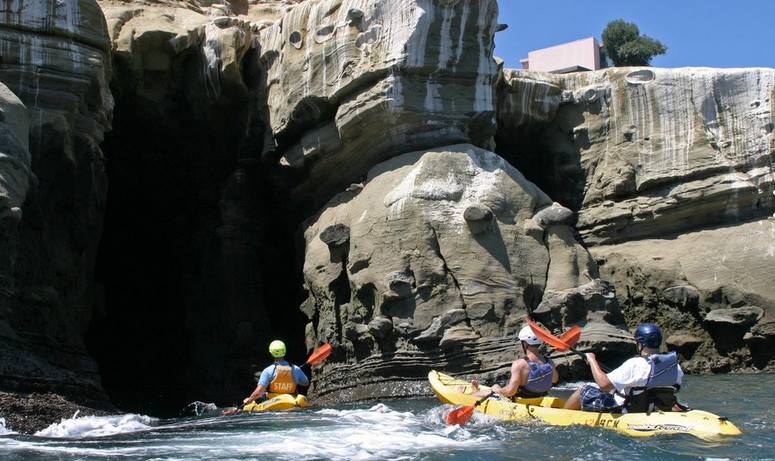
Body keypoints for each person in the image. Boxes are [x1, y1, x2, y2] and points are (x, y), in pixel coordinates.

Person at [563, 323, 684, 413]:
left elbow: (604, 385)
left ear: (640, 344)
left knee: (584, 389)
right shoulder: (675, 366)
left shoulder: (635, 364)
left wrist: (592, 360)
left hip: (629, 410)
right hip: (656, 408)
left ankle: (562, 417)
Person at [471, 325, 558, 399]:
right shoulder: (549, 362)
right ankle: (476, 389)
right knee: (497, 387)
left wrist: (498, 390)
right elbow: (554, 380)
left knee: (495, 388)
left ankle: (473, 392)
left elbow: (510, 392)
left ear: (525, 343)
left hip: (521, 400)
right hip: (540, 398)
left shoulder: (519, 364)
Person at [242, 340, 310, 405]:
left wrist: (250, 399)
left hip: (273, 402)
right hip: (291, 400)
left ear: (271, 353)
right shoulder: (296, 369)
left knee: (261, 396)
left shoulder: (268, 370)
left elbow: (259, 391)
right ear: (285, 352)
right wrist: (294, 378)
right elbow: (305, 383)